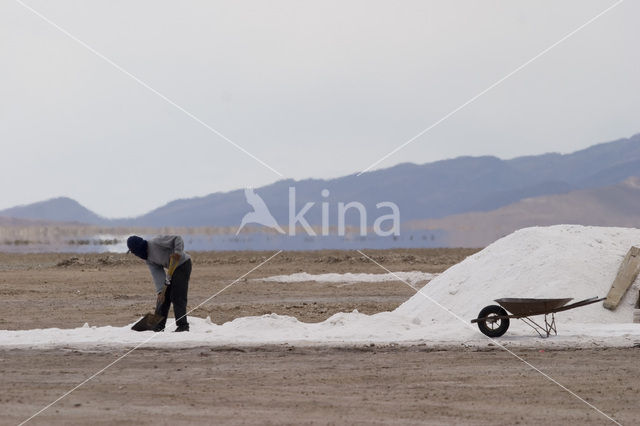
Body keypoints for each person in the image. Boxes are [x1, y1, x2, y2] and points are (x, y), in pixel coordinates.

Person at [127, 235, 192, 332]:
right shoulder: (148, 259)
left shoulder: (156, 242)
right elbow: (158, 275)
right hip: (171, 269)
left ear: (138, 247)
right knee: (163, 298)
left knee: (177, 296)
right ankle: (158, 326)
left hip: (182, 264)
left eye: (134, 251)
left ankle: (183, 326)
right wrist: (160, 292)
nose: (134, 254)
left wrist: (178, 252)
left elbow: (177, 238)